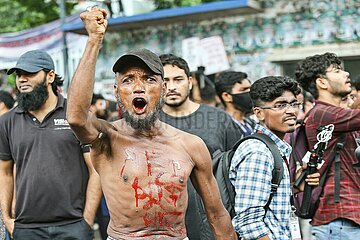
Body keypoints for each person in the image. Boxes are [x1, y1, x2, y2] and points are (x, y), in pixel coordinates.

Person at [66, 7, 237, 240]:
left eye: (149, 79)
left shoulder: (190, 145)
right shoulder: (106, 138)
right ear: (117, 92)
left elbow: (217, 215)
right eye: (128, 80)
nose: (139, 87)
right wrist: (94, 40)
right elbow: (76, 116)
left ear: (163, 89)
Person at [0, 49, 101, 239]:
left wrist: (86, 219)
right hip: (26, 228)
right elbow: (4, 172)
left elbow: (96, 169)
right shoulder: (7, 122)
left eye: (29, 73)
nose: (22, 79)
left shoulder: (76, 116)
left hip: (73, 225)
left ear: (50, 76)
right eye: (19, 75)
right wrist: (7, 218)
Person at [159, 53, 243, 239]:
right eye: (164, 81)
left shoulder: (218, 119)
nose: (171, 87)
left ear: (190, 82)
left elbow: (238, 169)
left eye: (178, 79)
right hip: (166, 224)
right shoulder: (148, 124)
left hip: (214, 221)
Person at [229, 76, 320, 239]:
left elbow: (267, 201)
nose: (291, 111)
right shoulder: (258, 152)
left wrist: (294, 186)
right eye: (280, 105)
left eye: (294, 104)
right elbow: (248, 223)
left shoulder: (274, 148)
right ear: (259, 113)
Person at [295, 52, 360, 239]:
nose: (346, 74)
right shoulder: (322, 114)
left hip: (347, 218)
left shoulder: (339, 116)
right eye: (338, 70)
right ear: (321, 82)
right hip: (340, 219)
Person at [215, 71, 255, 136]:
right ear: (226, 96)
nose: (250, 93)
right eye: (243, 90)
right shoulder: (222, 128)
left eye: (250, 89)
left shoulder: (251, 123)